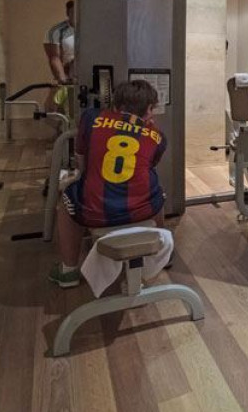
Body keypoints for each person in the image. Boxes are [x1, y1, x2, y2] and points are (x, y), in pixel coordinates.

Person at [50, 80, 168, 288]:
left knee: (67, 198)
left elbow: (81, 161)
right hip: (142, 211)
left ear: (116, 104)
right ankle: (157, 256)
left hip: (95, 213)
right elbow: (147, 167)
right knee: (157, 193)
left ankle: (68, 271)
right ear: (149, 109)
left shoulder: (91, 118)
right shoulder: (158, 136)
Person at [43, 0, 76, 114]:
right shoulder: (56, 31)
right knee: (55, 109)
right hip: (67, 76)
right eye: (73, 12)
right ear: (68, 13)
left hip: (87, 75)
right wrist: (62, 80)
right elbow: (54, 58)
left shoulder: (91, 29)